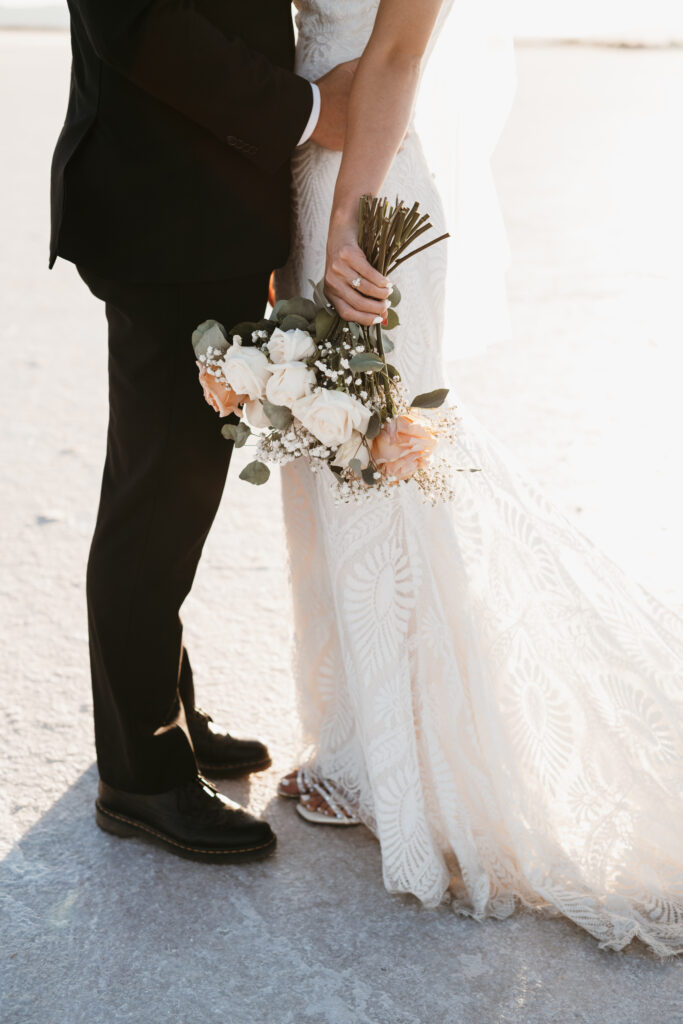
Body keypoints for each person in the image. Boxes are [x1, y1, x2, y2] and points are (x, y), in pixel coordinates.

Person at [275, 0, 683, 955]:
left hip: (369, 197)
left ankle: (417, 766)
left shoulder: (360, 208)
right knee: (328, 475)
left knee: (390, 473)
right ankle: (356, 747)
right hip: (304, 177)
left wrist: (348, 224)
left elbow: (398, 54)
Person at [50, 0, 357, 862]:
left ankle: (158, 714)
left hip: (199, 203)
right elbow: (139, 22)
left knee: (171, 482)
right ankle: (142, 773)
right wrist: (306, 111)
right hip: (162, 213)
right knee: (160, 491)